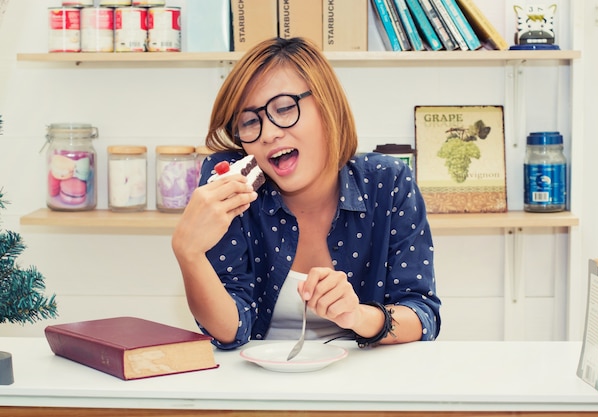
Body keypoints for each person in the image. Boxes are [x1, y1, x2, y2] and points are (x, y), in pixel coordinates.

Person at [172, 37, 441, 350]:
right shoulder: (232, 185)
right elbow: (229, 330)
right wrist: (188, 254)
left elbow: (422, 316)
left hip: (364, 383)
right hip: (261, 385)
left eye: (284, 108)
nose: (269, 133)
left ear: (327, 105)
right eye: (249, 122)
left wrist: (357, 316)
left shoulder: (388, 181)